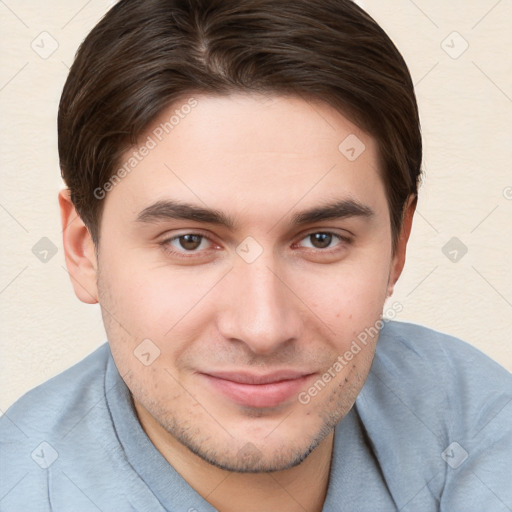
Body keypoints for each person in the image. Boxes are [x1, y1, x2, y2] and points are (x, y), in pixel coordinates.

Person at [1, 0, 510, 510]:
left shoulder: (474, 417)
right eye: (190, 241)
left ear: (398, 246)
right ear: (83, 249)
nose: (263, 329)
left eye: (321, 239)